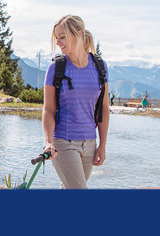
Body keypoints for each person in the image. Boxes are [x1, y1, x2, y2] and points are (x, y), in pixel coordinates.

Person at [41, 15, 110, 189]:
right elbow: (48, 109)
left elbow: (103, 108)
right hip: (63, 143)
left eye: (62, 37)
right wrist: (49, 142)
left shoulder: (99, 67)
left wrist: (102, 145)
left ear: (78, 35)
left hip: (89, 143)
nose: (58, 42)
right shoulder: (56, 68)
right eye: (56, 38)